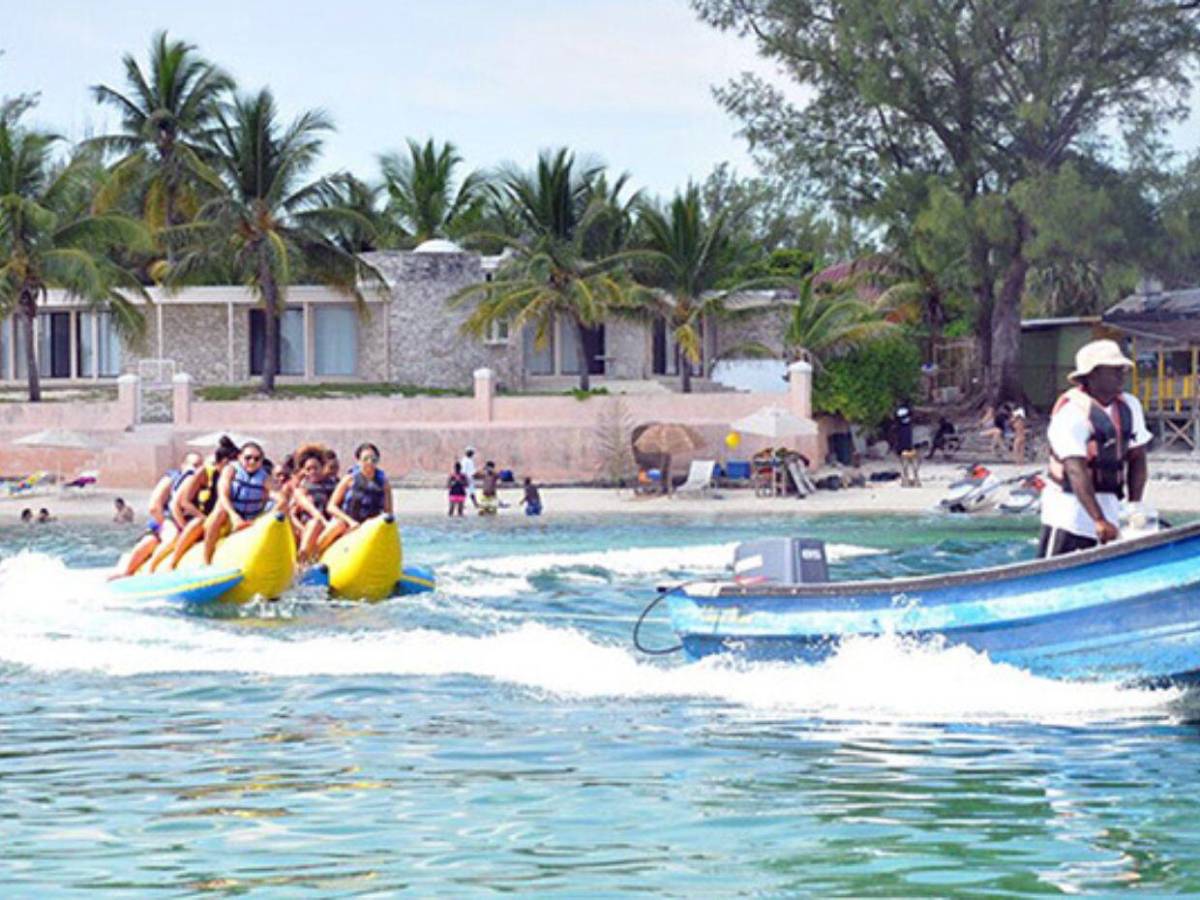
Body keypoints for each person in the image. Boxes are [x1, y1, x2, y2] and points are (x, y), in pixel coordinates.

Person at [1039, 339, 1151, 558]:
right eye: (1114, 370)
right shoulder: (1071, 414)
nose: (1122, 375)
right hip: (1070, 515)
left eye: (1123, 369)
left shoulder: (1130, 406)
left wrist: (1134, 506)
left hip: (1110, 508)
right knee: (1057, 571)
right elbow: (1075, 470)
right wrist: (1098, 519)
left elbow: (1137, 458)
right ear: (1091, 376)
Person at [117, 451, 203, 577]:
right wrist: (166, 525)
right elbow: (154, 507)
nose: (196, 469)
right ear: (183, 465)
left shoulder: (202, 481)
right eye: (194, 465)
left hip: (183, 522)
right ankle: (144, 571)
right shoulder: (172, 478)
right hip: (165, 522)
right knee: (163, 540)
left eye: (200, 465)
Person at [161, 436, 240, 570]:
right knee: (199, 523)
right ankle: (173, 562)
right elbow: (184, 502)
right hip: (195, 516)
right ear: (224, 462)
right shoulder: (205, 472)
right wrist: (204, 518)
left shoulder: (237, 476)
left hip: (218, 517)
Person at [203, 441, 271, 563]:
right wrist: (234, 517)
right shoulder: (230, 470)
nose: (252, 462)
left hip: (250, 520)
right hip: (228, 519)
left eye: (257, 459)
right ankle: (206, 560)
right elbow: (223, 494)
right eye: (248, 457)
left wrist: (260, 519)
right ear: (239, 457)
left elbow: (276, 498)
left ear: (261, 461)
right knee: (220, 511)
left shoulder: (265, 477)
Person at [320, 442, 394, 553]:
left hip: (369, 528)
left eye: (373, 459)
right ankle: (314, 555)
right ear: (358, 461)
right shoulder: (349, 479)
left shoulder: (384, 483)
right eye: (366, 459)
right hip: (347, 523)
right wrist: (350, 522)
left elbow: (388, 512)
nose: (370, 463)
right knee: (337, 525)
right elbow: (331, 506)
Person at [292, 444, 338, 564]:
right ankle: (303, 561)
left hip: (328, 529)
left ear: (323, 467)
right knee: (315, 523)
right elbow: (291, 515)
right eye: (308, 469)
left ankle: (317, 555)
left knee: (339, 522)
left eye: (315, 468)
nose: (312, 472)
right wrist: (301, 529)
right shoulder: (301, 489)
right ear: (303, 471)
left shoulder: (334, 485)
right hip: (308, 528)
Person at [894, 402, 920, 487]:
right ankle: (916, 481)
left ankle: (906, 481)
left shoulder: (899, 427)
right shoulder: (909, 426)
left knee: (905, 466)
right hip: (910, 447)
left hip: (903, 448)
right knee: (913, 466)